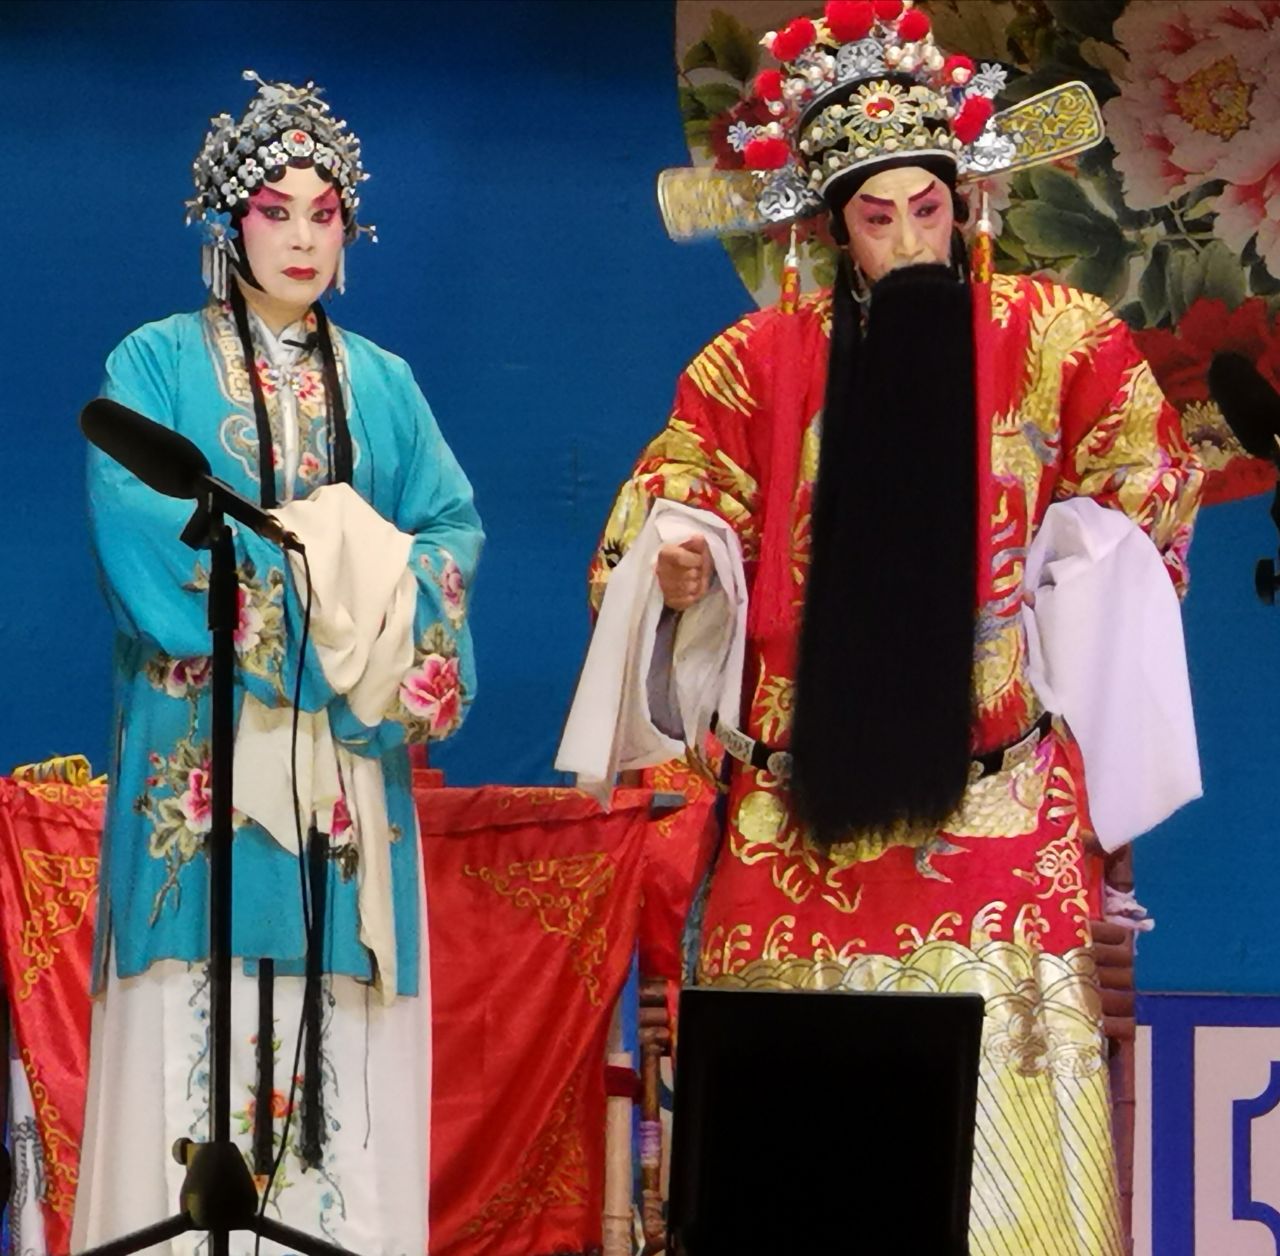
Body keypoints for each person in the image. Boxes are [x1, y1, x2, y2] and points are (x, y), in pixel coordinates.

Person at [584, 5, 1202, 1251]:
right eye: (878, 218)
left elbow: (1148, 479)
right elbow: (669, 499)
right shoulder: (755, 359)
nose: (911, 239)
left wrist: (1080, 553)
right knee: (790, 1178)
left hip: (993, 808)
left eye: (929, 207)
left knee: (1003, 1189)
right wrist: (681, 561)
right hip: (794, 816)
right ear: (831, 227)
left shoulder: (1058, 339)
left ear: (968, 203)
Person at [74, 71, 482, 1256]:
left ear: (350, 231)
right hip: (196, 752)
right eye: (273, 210)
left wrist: (375, 595)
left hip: (338, 758)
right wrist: (323, 583)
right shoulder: (153, 363)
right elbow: (137, 516)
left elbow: (448, 529)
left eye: (325, 213)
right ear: (227, 223)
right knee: (188, 1016)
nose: (302, 236)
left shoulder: (384, 383)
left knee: (332, 1035)